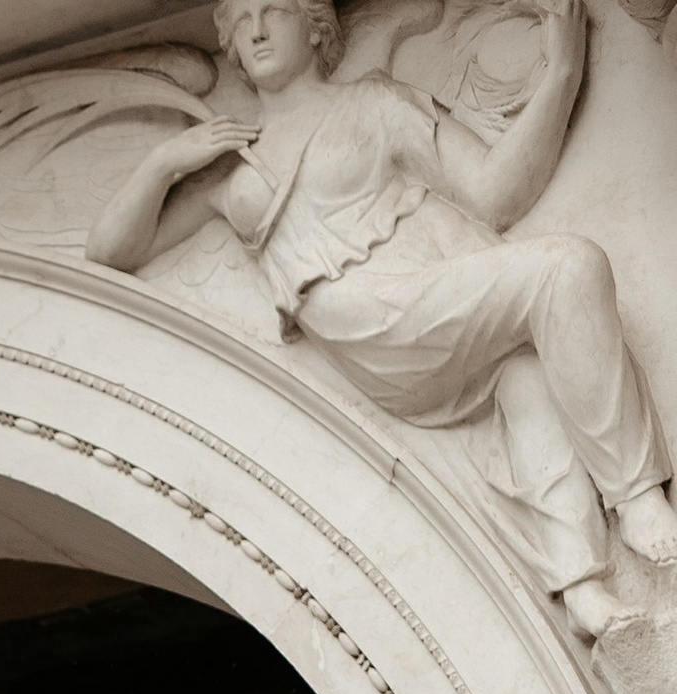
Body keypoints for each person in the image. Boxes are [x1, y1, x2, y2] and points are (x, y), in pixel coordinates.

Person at [85, 0, 677, 638]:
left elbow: (494, 193)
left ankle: (583, 587)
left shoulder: (373, 103)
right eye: (241, 18)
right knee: (567, 267)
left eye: (274, 10)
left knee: (526, 377)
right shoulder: (233, 162)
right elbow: (110, 251)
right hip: (368, 327)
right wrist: (166, 161)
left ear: (316, 26)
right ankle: (637, 490)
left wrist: (562, 72)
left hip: (415, 313)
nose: (255, 29)